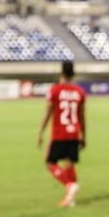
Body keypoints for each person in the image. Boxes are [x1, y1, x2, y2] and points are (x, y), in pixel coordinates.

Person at [37, 61, 86, 207]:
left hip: (59, 133)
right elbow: (82, 118)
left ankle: (69, 185)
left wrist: (40, 132)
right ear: (73, 74)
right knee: (69, 164)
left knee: (50, 162)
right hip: (74, 133)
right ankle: (71, 198)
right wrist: (84, 136)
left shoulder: (55, 90)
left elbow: (48, 113)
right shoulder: (79, 92)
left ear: (61, 73)